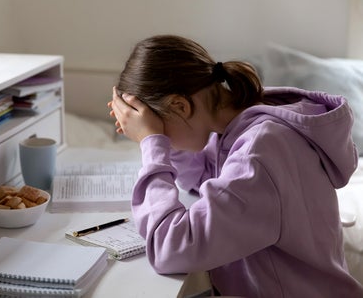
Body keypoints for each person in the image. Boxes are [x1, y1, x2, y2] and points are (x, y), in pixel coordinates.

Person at [107, 35, 363, 297]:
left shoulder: (259, 154)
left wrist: (151, 144)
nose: (160, 137)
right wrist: (159, 139)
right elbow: (203, 177)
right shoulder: (239, 123)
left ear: (180, 106)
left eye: (159, 125)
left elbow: (171, 248)